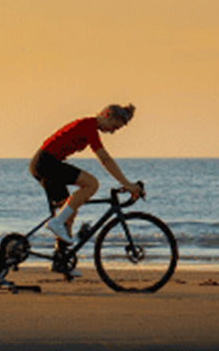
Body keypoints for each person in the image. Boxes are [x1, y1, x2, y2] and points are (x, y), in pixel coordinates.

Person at [30, 104, 143, 245]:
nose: (113, 132)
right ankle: (56, 222)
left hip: (42, 164)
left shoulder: (90, 127)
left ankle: (61, 262)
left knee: (69, 212)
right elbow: (105, 160)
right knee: (92, 184)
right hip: (46, 163)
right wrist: (127, 184)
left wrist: (127, 184)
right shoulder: (88, 127)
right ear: (107, 115)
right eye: (114, 127)